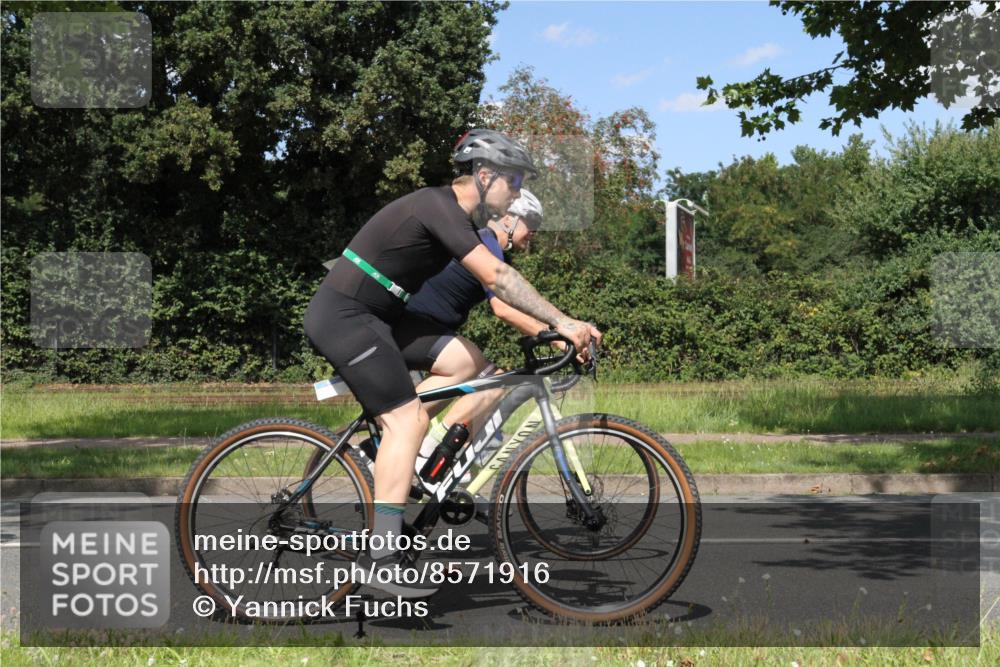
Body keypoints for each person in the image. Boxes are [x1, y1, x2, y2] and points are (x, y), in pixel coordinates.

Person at [303, 129, 600, 598]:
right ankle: (381, 559)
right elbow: (498, 278)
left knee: (467, 362)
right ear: (484, 176)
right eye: (514, 183)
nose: (516, 195)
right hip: (346, 315)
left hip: (383, 317)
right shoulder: (437, 206)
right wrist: (562, 321)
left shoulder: (456, 218)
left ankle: (391, 438)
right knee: (407, 423)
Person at [392, 188, 555, 474]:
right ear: (508, 218)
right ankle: (427, 453)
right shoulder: (486, 243)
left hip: (426, 330)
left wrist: (553, 328)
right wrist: (555, 338)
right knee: (480, 372)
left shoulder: (499, 256)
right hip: (410, 326)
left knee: (494, 384)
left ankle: (449, 465)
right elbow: (503, 309)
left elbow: (522, 305)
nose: (535, 233)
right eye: (532, 223)